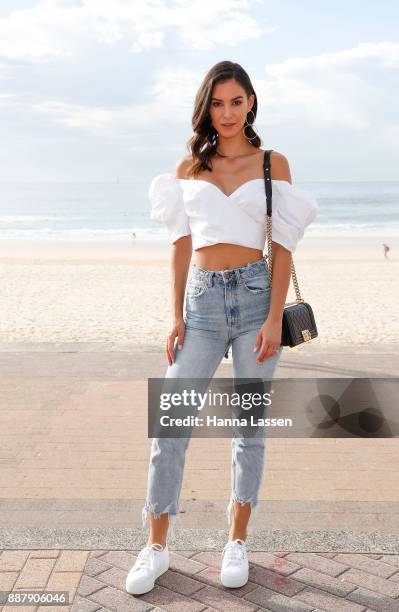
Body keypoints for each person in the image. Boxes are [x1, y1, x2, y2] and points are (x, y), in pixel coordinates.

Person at [126, 60, 319, 596]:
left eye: (236, 102)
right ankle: (157, 546)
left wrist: (276, 318)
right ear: (206, 106)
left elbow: (282, 246)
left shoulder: (272, 164)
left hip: (258, 300)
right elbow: (181, 246)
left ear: (251, 103)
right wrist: (176, 315)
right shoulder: (189, 167)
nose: (227, 113)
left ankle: (236, 540)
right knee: (170, 428)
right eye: (218, 103)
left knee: (248, 429)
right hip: (203, 304)